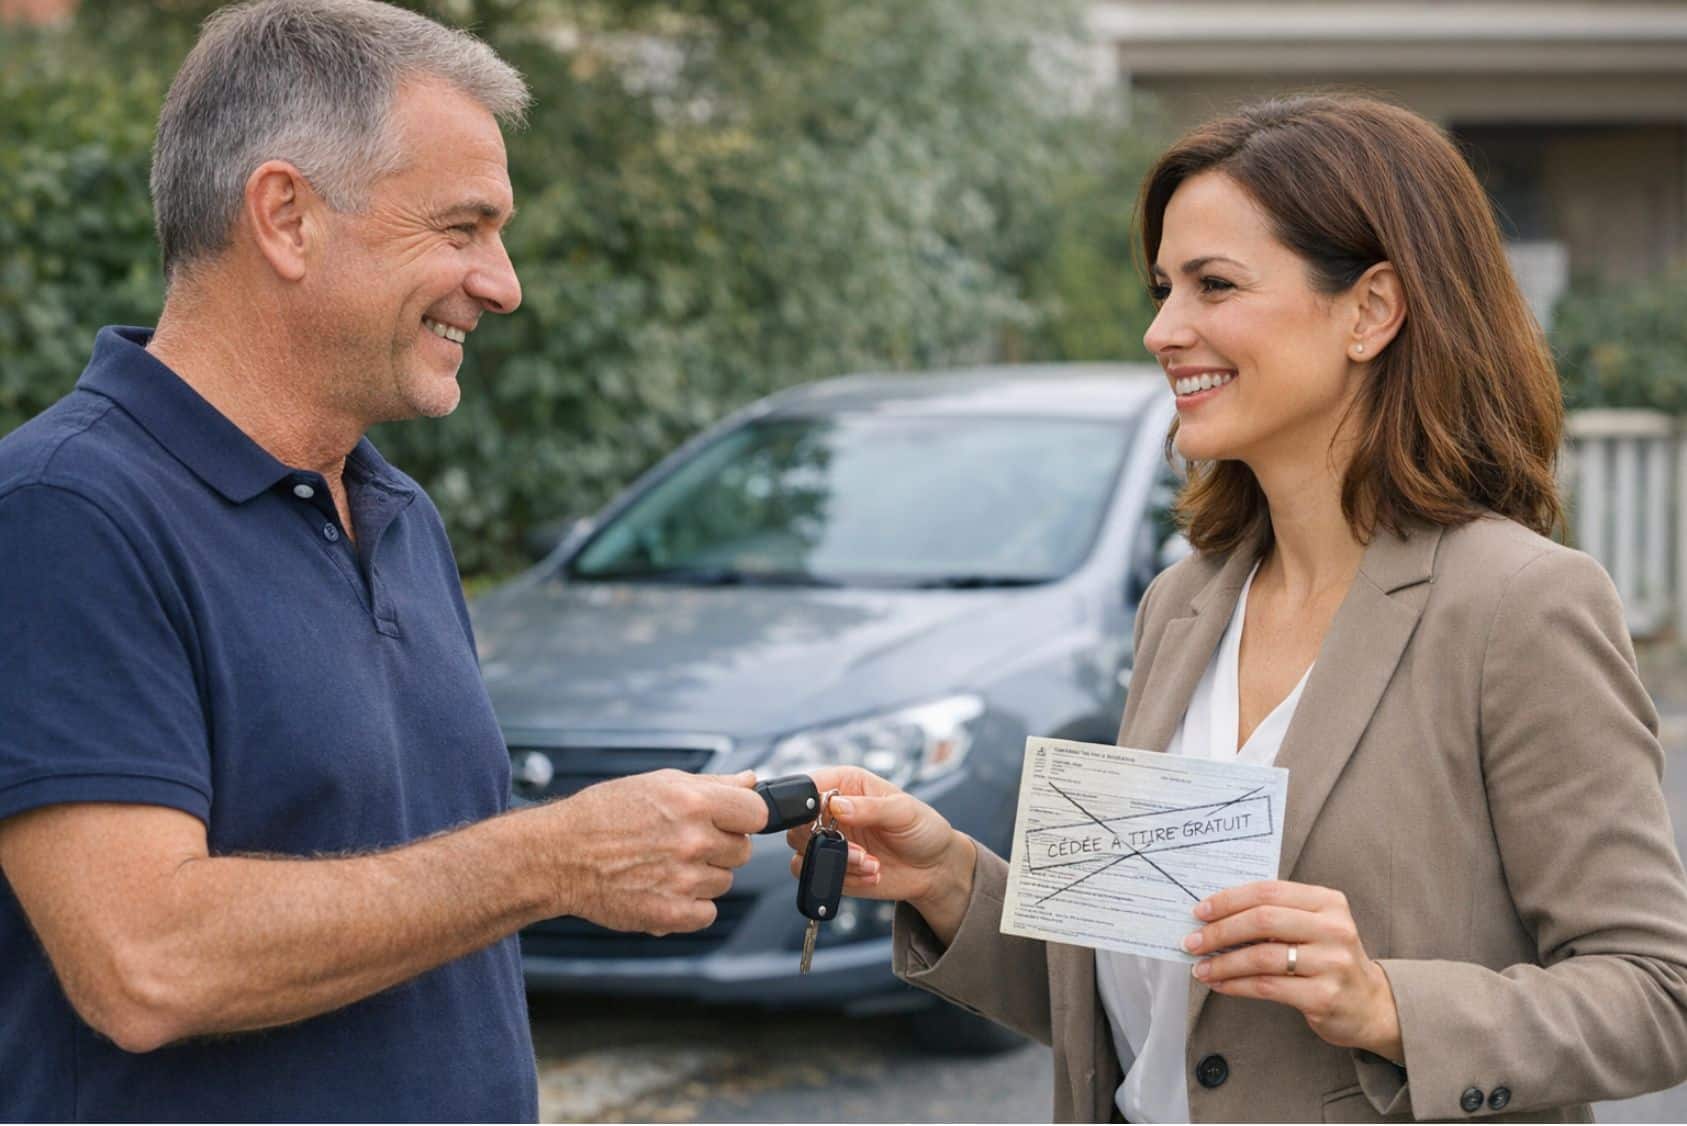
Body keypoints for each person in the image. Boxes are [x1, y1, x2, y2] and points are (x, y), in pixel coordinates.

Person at [788, 94, 1687, 1122]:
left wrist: (1385, 1004)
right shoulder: (1182, 604)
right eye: (1163, 288)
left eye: (1213, 284)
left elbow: (1656, 993)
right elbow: (1152, 1002)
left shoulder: (1519, 604)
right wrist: (944, 875)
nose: (1161, 330)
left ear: (1371, 311)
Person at [0, 1, 769, 1120]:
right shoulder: (62, 512)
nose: (502, 283)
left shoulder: (396, 512)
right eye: (461, 228)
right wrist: (554, 859)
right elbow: (146, 963)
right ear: (286, 217)